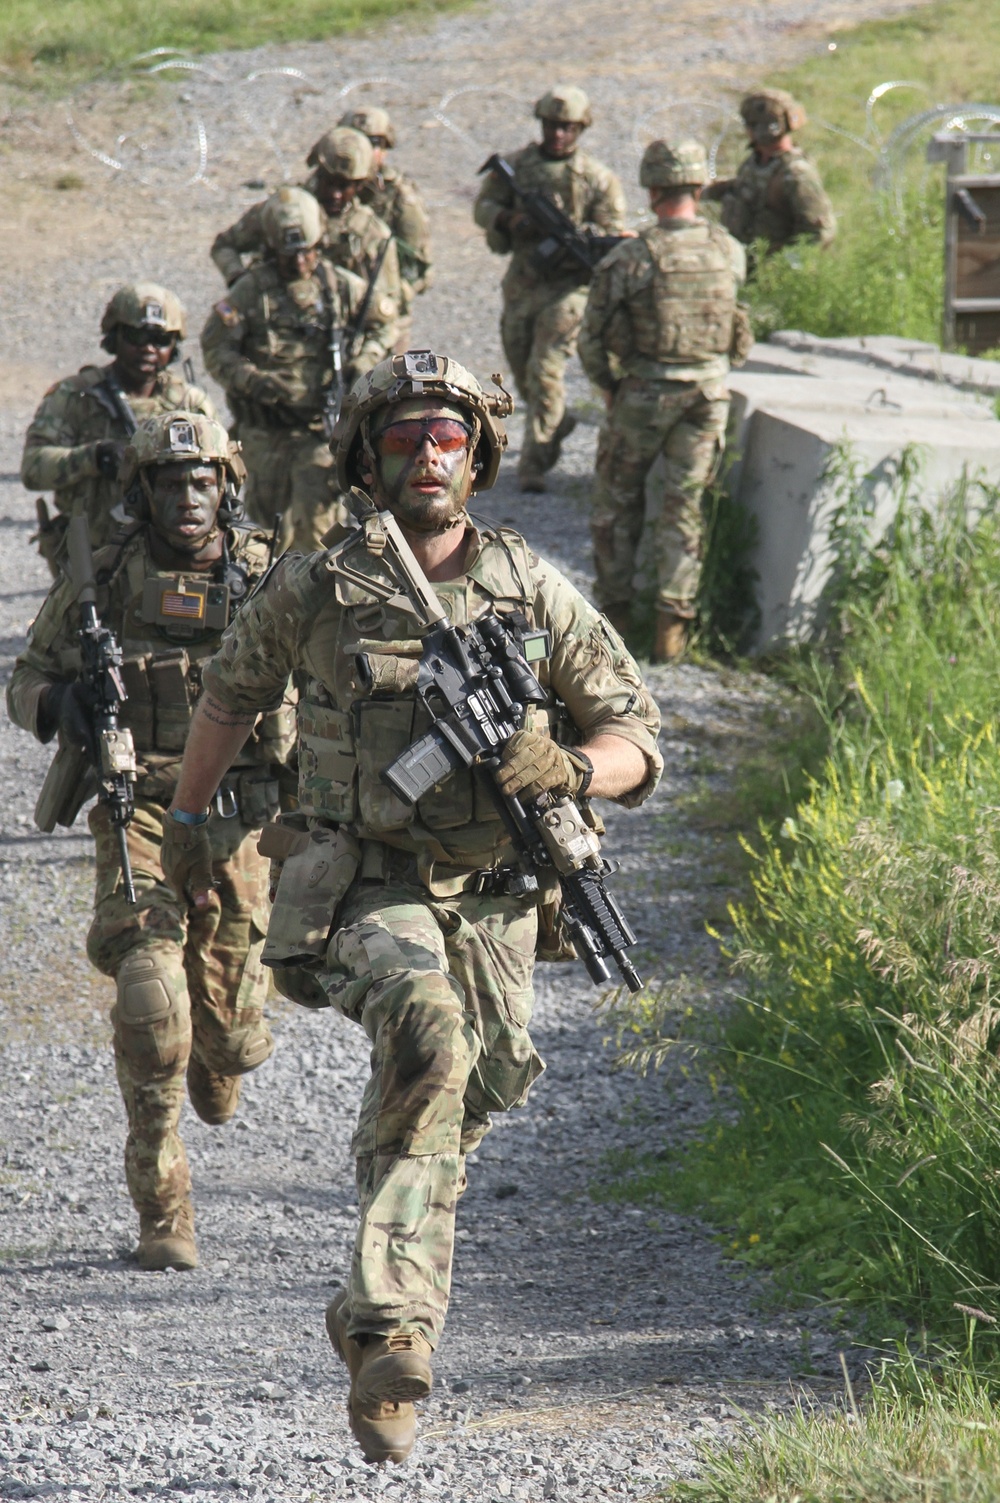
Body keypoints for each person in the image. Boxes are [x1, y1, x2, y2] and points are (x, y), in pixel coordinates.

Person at [159, 350, 662, 1462]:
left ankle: (367, 1318)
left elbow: (633, 736)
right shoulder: (317, 584)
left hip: (492, 898)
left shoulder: (530, 586)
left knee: (462, 1102)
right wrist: (192, 836)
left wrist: (567, 767)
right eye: (402, 438)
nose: (427, 456)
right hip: (363, 883)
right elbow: (227, 702)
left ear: (477, 457)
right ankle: (393, 1333)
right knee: (429, 1040)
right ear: (366, 457)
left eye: (447, 438)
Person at [6, 412, 296, 1272]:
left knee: (232, 1037)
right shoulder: (103, 581)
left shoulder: (262, 577)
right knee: (150, 999)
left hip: (236, 816)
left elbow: (321, 686)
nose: (188, 498)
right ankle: (163, 1207)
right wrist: (65, 708)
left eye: (202, 481)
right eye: (170, 482)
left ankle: (220, 1049)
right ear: (143, 492)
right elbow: (27, 679)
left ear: (226, 488)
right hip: (137, 810)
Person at [578, 140, 748, 662]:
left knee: (617, 506)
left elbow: (590, 337)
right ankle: (672, 636)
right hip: (708, 396)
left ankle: (614, 630)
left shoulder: (633, 255)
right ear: (698, 187)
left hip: (645, 395)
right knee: (684, 509)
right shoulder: (729, 248)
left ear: (652, 190)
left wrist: (609, 386)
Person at [201, 186, 400, 553]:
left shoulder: (339, 286)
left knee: (317, 529)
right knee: (262, 533)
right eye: (288, 254)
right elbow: (216, 346)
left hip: (317, 432)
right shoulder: (251, 291)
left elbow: (385, 321)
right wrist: (251, 379)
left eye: (306, 251)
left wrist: (363, 362)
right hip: (264, 431)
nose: (298, 262)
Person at [473, 86, 627, 492]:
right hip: (523, 284)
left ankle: (534, 463)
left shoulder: (597, 179)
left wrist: (581, 238)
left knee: (545, 370)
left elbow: (613, 233)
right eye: (552, 125)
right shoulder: (515, 167)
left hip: (569, 290)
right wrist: (510, 220)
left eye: (568, 127)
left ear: (581, 129)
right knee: (522, 368)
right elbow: (483, 206)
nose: (558, 134)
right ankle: (556, 422)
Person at [21, 283, 215, 570]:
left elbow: (221, 481)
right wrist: (94, 457)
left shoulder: (190, 404)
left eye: (160, 339)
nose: (148, 348)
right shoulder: (76, 396)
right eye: (136, 336)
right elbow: (33, 469)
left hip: (169, 557)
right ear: (115, 336)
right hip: (92, 557)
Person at [210, 126, 402, 312]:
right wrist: (240, 281)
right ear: (318, 172)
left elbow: (387, 303)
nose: (335, 194)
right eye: (329, 182)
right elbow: (224, 245)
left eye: (344, 187)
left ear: (360, 185)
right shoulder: (282, 211)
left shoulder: (373, 234)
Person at [339, 105, 433, 351]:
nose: (366, 151)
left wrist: (391, 297)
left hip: (383, 320)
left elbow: (419, 267)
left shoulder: (399, 197)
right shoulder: (331, 190)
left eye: (373, 143)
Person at [702, 89, 836, 253]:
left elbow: (820, 232)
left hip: (770, 268)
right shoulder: (756, 162)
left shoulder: (796, 174)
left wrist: (787, 266)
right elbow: (749, 189)